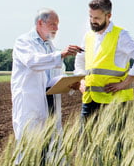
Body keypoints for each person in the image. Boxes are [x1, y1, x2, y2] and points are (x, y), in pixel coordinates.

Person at [10, 9, 82, 142]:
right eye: (53, 24)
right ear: (40, 23)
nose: (57, 28)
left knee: (50, 149)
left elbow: (58, 72)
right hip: (31, 105)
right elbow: (32, 62)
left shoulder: (50, 46)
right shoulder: (24, 42)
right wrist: (61, 54)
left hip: (51, 105)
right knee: (29, 149)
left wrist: (71, 83)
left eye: (57, 24)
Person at [74, 0, 134, 119]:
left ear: (108, 16)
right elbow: (80, 60)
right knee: (84, 138)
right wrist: (81, 80)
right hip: (89, 99)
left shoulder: (120, 35)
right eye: (90, 17)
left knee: (113, 138)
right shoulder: (88, 36)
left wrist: (124, 84)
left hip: (115, 101)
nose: (92, 21)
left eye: (97, 18)